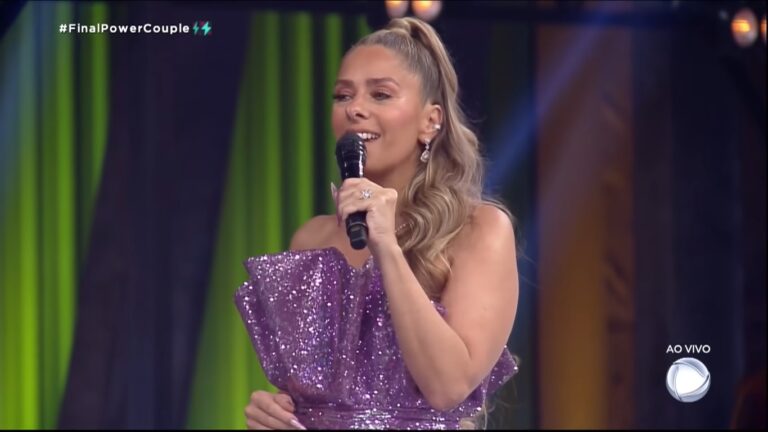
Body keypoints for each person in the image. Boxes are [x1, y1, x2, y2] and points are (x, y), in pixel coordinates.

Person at [235, 16, 519, 430]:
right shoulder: (312, 238)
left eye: (381, 94)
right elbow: (307, 396)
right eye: (342, 95)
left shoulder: (479, 230)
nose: (355, 108)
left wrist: (386, 245)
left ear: (430, 121)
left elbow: (448, 387)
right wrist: (274, 411)